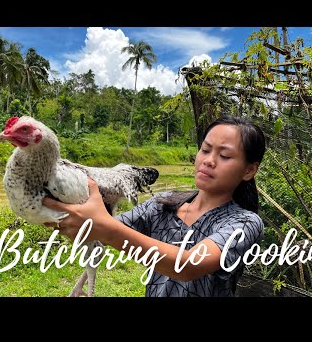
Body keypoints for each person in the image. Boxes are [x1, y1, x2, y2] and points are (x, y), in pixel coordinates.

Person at [43, 115, 266, 297]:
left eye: (224, 155)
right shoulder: (164, 204)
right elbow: (102, 230)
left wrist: (105, 228)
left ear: (249, 170)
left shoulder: (244, 223)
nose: (209, 160)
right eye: (205, 150)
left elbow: (188, 266)